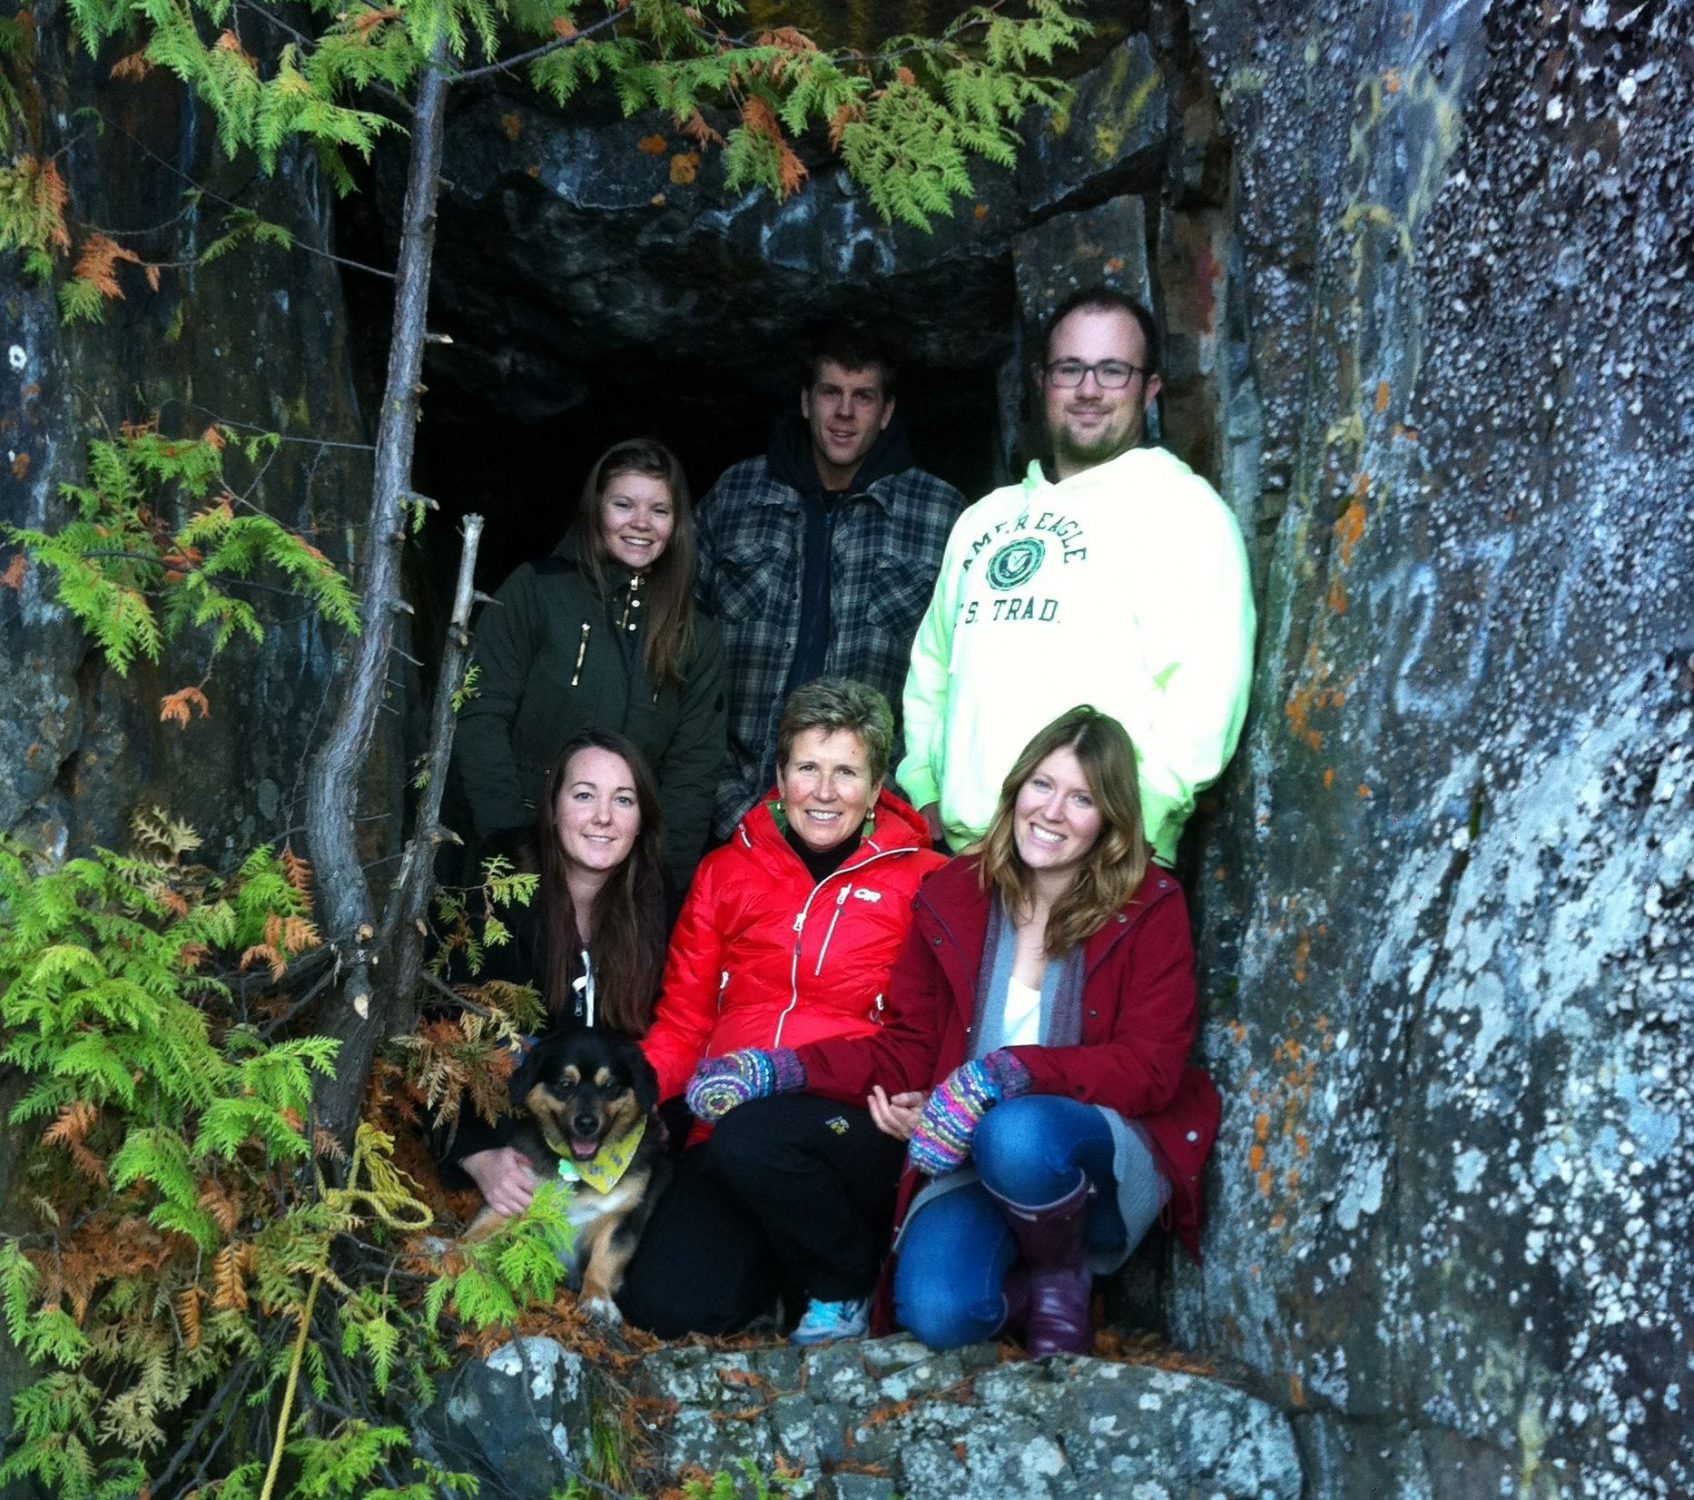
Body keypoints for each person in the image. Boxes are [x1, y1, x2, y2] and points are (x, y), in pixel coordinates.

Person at [685, 707, 1219, 1357]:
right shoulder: (960, 892)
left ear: (1109, 819)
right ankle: (1025, 1284)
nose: (1052, 811)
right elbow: (908, 1046)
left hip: (1090, 1147)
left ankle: (1062, 1278)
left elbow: (1150, 1068)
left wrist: (1002, 1077)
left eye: (1081, 799)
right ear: (1016, 789)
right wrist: (782, 1070)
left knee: (1015, 1130)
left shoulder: (1149, 905)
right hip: (965, 1153)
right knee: (937, 1312)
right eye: (1042, 786)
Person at [617, 679, 946, 1342]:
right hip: (729, 1130)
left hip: (853, 1128)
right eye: (807, 769)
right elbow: (684, 1020)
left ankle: (846, 1278)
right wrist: (638, 1093)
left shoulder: (927, 881)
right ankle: (785, 1278)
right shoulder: (725, 872)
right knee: (665, 1307)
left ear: (879, 782)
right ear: (778, 775)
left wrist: (925, 1098)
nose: (824, 793)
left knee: (757, 1138)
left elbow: (935, 1030)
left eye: (846, 772)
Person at [899, 289, 1256, 865]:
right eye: (1071, 368)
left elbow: (1207, 692)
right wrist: (926, 788)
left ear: (1150, 388)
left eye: (1113, 370)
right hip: (968, 860)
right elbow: (932, 669)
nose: (1089, 389)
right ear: (1043, 381)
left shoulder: (1182, 509)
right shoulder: (983, 519)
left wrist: (1137, 824)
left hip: (1103, 865)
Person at [694, 320, 964, 842]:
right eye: (830, 393)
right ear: (805, 401)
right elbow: (678, 650)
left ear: (886, 412)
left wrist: (906, 804)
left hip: (873, 819)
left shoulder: (941, 515)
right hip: (733, 810)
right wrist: (716, 799)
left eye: (863, 397)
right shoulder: (735, 496)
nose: (844, 412)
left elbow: (957, 679)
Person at [453, 437, 726, 891]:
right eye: (623, 505)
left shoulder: (695, 632)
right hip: (515, 851)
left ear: (677, 523)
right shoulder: (536, 591)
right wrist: (507, 844)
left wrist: (662, 880)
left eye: (659, 510)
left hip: (625, 870)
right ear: (596, 509)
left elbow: (694, 767)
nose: (641, 523)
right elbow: (479, 713)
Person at [441, 730, 670, 1218]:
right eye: (584, 795)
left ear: (640, 820)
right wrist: (477, 1154)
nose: (603, 817)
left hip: (603, 1143)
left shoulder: (649, 904)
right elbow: (442, 1032)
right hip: (500, 1141)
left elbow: (650, 1035)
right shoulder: (499, 887)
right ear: (553, 807)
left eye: (623, 800)